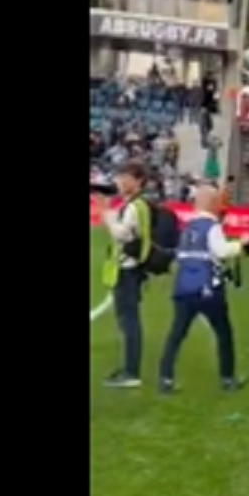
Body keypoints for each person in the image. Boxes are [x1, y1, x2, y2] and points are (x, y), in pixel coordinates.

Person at [157, 182, 248, 394]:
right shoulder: (212, 227)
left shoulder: (187, 227)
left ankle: (165, 378)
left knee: (176, 334)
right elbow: (221, 251)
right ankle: (227, 379)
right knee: (223, 333)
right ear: (214, 204)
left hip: (184, 287)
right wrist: (242, 244)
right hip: (208, 289)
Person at [98, 161, 152, 388]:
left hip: (128, 270)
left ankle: (131, 372)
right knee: (126, 320)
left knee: (129, 321)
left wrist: (106, 213)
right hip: (129, 269)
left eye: (125, 178)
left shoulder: (135, 207)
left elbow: (124, 235)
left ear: (138, 181)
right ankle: (129, 368)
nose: (119, 182)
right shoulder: (134, 205)